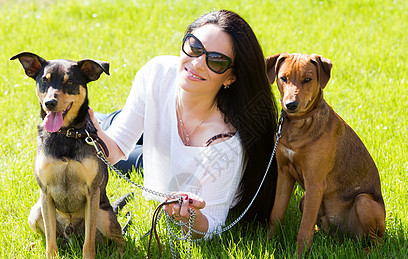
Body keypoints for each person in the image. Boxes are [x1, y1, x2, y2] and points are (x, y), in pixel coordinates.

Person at [90, 10, 278, 239]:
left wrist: (191, 217)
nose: (197, 63)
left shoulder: (227, 142)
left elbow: (214, 224)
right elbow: (117, 145)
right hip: (156, 126)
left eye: (217, 60)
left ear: (231, 77)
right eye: (194, 47)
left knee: (137, 161)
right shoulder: (157, 73)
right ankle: (100, 118)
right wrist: (91, 128)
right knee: (102, 123)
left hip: (171, 160)